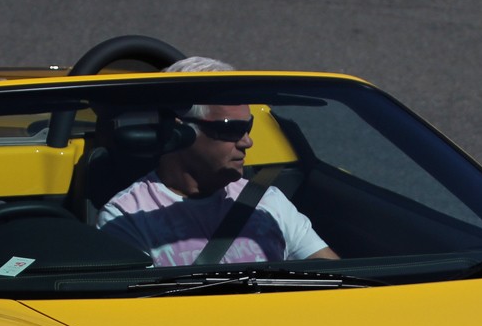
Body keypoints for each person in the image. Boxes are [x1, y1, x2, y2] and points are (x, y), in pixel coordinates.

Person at [94, 99, 340, 267]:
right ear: (178, 132)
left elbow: (336, 280)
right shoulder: (127, 217)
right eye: (231, 129)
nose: (247, 142)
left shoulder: (267, 200)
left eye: (248, 127)